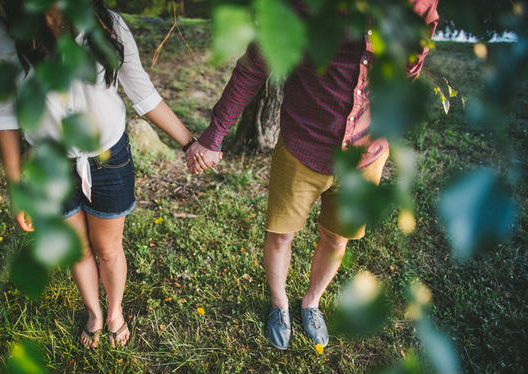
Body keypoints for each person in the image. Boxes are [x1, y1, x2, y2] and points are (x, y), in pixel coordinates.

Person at [186, 0, 439, 350]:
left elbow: (406, 74)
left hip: (365, 156)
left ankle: (311, 303)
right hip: (302, 146)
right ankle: (279, 304)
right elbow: (254, 65)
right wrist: (214, 135)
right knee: (280, 235)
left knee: (337, 239)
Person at [0, 1, 197, 348]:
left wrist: (189, 142)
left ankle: (115, 312)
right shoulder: (1, 35)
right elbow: (5, 114)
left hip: (108, 158)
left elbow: (142, 93)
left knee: (108, 248)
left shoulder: (106, 23)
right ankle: (94, 313)